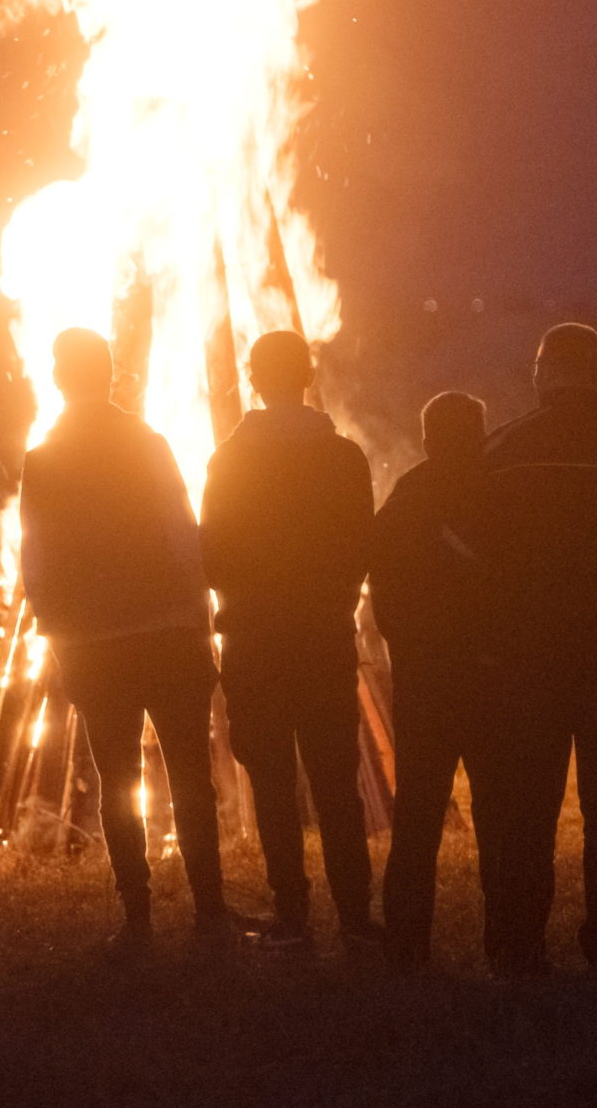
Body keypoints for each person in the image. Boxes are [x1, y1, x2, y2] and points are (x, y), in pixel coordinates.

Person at [17, 328, 227, 954]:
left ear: (59, 377)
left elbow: (38, 560)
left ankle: (137, 918)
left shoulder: (45, 457)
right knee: (191, 777)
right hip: (166, 633)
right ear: (108, 374)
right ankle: (210, 911)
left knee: (116, 778)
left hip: (97, 645)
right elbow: (180, 532)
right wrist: (199, 618)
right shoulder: (146, 443)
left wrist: (60, 636)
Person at [470, 323, 597, 975]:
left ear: (544, 372)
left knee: (529, 802)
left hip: (529, 658)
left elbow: (473, 554)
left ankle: (524, 940)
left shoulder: (505, 452)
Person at [200, 329, 377, 952]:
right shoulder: (344, 458)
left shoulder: (230, 460)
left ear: (254, 379)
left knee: (272, 781)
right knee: (336, 777)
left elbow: (211, 553)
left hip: (254, 641)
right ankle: (355, 916)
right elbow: (362, 545)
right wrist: (330, 596)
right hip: (324, 638)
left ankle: (294, 916)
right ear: (307, 376)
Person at [372, 391, 495, 971]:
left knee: (417, 815)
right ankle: (512, 940)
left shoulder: (406, 498)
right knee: (504, 813)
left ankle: (406, 943)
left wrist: (409, 650)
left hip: (427, 680)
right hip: (494, 675)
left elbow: (384, 597)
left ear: (426, 438)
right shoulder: (505, 490)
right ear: (482, 433)